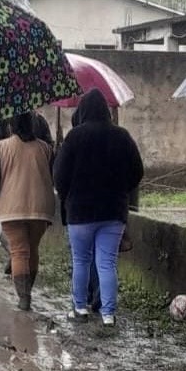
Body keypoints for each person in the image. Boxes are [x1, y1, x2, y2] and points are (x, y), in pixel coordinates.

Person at [54, 88, 143, 326]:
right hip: (113, 212)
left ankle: (80, 308)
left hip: (80, 212)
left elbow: (60, 177)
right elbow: (137, 172)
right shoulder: (122, 136)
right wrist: (120, 189)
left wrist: (68, 195)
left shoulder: (74, 137)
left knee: (81, 261)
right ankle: (108, 313)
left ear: (82, 111)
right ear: (106, 111)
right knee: (107, 263)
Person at [0, 112, 56, 311]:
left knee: (18, 251)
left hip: (10, 208)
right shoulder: (45, 149)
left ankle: (24, 298)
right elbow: (52, 175)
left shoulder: (0, 148)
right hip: (41, 208)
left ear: (11, 127)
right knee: (32, 250)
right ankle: (27, 292)